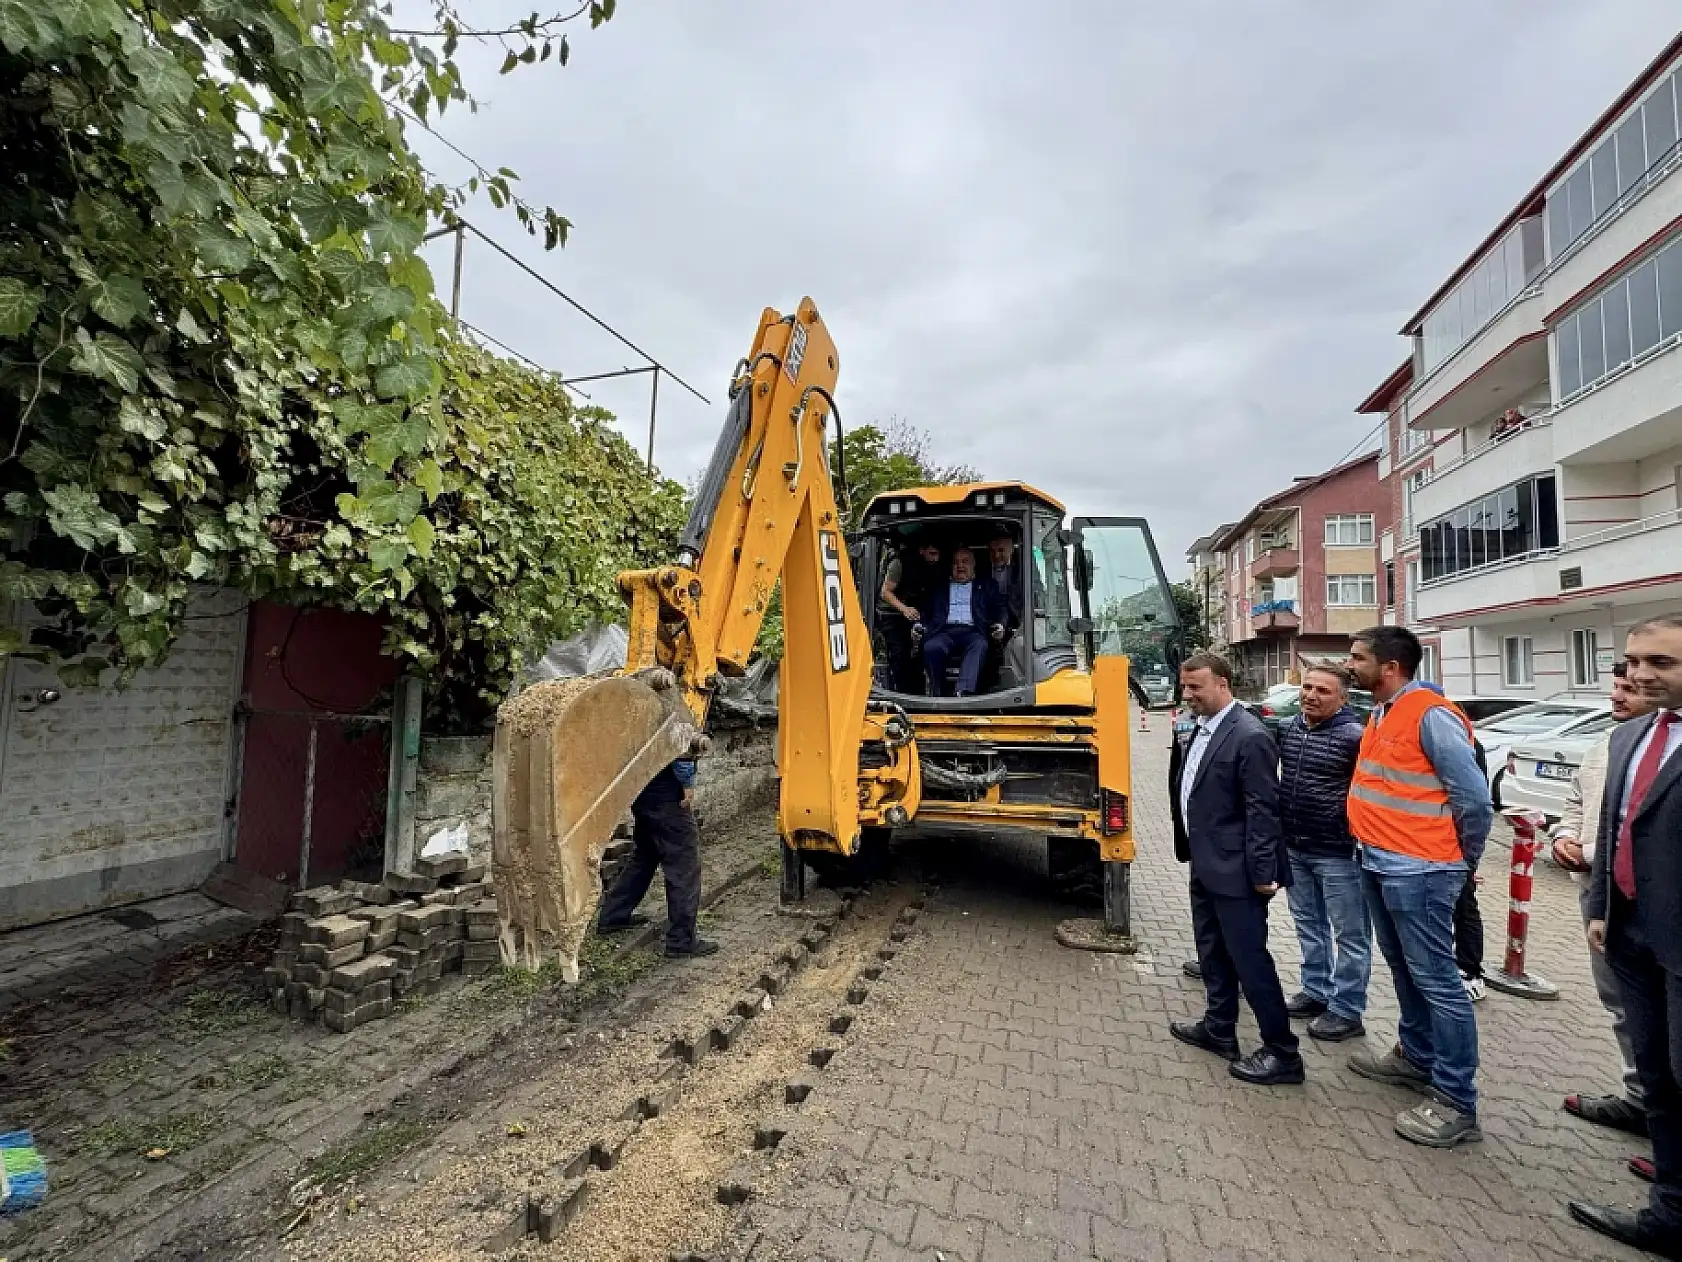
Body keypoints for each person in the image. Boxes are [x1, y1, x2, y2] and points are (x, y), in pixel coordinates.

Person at [1344, 626, 1491, 1148]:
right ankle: (1415, 1055)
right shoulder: (1383, 711)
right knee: (1406, 969)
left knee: (1438, 982)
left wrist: (1460, 861)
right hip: (1379, 860)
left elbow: (1473, 799)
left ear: (1389, 667)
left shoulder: (1430, 714)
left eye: (1358, 658)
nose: (1350, 665)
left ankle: (1455, 1099)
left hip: (1421, 869)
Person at [1572, 615, 1682, 1257]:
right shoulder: (1630, 737)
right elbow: (1617, 825)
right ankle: (1670, 1210)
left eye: (1661, 663)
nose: (1640, 674)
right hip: (1630, 933)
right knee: (1660, 1076)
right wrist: (1603, 909)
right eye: (1634, 660)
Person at [1168, 652, 1304, 1086]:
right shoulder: (1200, 728)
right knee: (1212, 952)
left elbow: (1263, 809)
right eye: (1185, 686)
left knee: (1250, 960)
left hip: (1240, 872)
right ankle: (1219, 1027)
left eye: (1196, 687)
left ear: (1223, 684)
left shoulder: (1250, 736)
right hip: (1206, 863)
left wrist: (1263, 872)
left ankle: (1283, 1052)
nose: (1188, 695)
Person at [1554, 661, 1655, 1143]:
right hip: (1599, 894)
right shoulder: (1606, 747)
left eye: (1629, 689)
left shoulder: (1665, 753)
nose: (1618, 696)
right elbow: (1575, 803)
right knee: (1619, 1002)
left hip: (1653, 901)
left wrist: (1589, 852)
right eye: (1616, 686)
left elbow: (1646, 832)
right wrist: (1564, 837)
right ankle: (1640, 1100)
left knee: (1662, 1012)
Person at [1277, 666, 1370, 1043]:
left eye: (1323, 691)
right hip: (1296, 845)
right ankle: (1315, 990)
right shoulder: (1288, 728)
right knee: (1308, 923)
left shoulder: (1355, 736)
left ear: (1343, 698)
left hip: (1338, 852)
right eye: (1307, 687)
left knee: (1351, 933)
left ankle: (1347, 1009)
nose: (1311, 695)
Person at [597, 757, 718, 958]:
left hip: (641, 786)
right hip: (667, 791)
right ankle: (681, 940)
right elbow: (677, 739)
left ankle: (613, 916)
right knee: (683, 865)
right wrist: (687, 782)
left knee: (644, 857)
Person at [917, 547, 1006, 698]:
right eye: (956, 563)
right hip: (944, 631)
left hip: (974, 631)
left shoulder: (987, 585)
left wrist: (1001, 624)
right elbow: (925, 611)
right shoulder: (939, 586)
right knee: (931, 647)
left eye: (965, 562)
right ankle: (939, 692)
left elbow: (1001, 608)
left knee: (980, 645)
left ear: (973, 565)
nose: (960, 566)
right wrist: (918, 626)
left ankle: (963, 691)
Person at [879, 537, 942, 693]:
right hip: (891, 612)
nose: (936, 558)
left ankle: (918, 692)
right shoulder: (899, 563)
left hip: (913, 612)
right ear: (921, 551)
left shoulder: (930, 566)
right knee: (899, 654)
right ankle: (902, 693)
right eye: (932, 553)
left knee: (917, 655)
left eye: (938, 554)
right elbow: (885, 592)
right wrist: (904, 609)